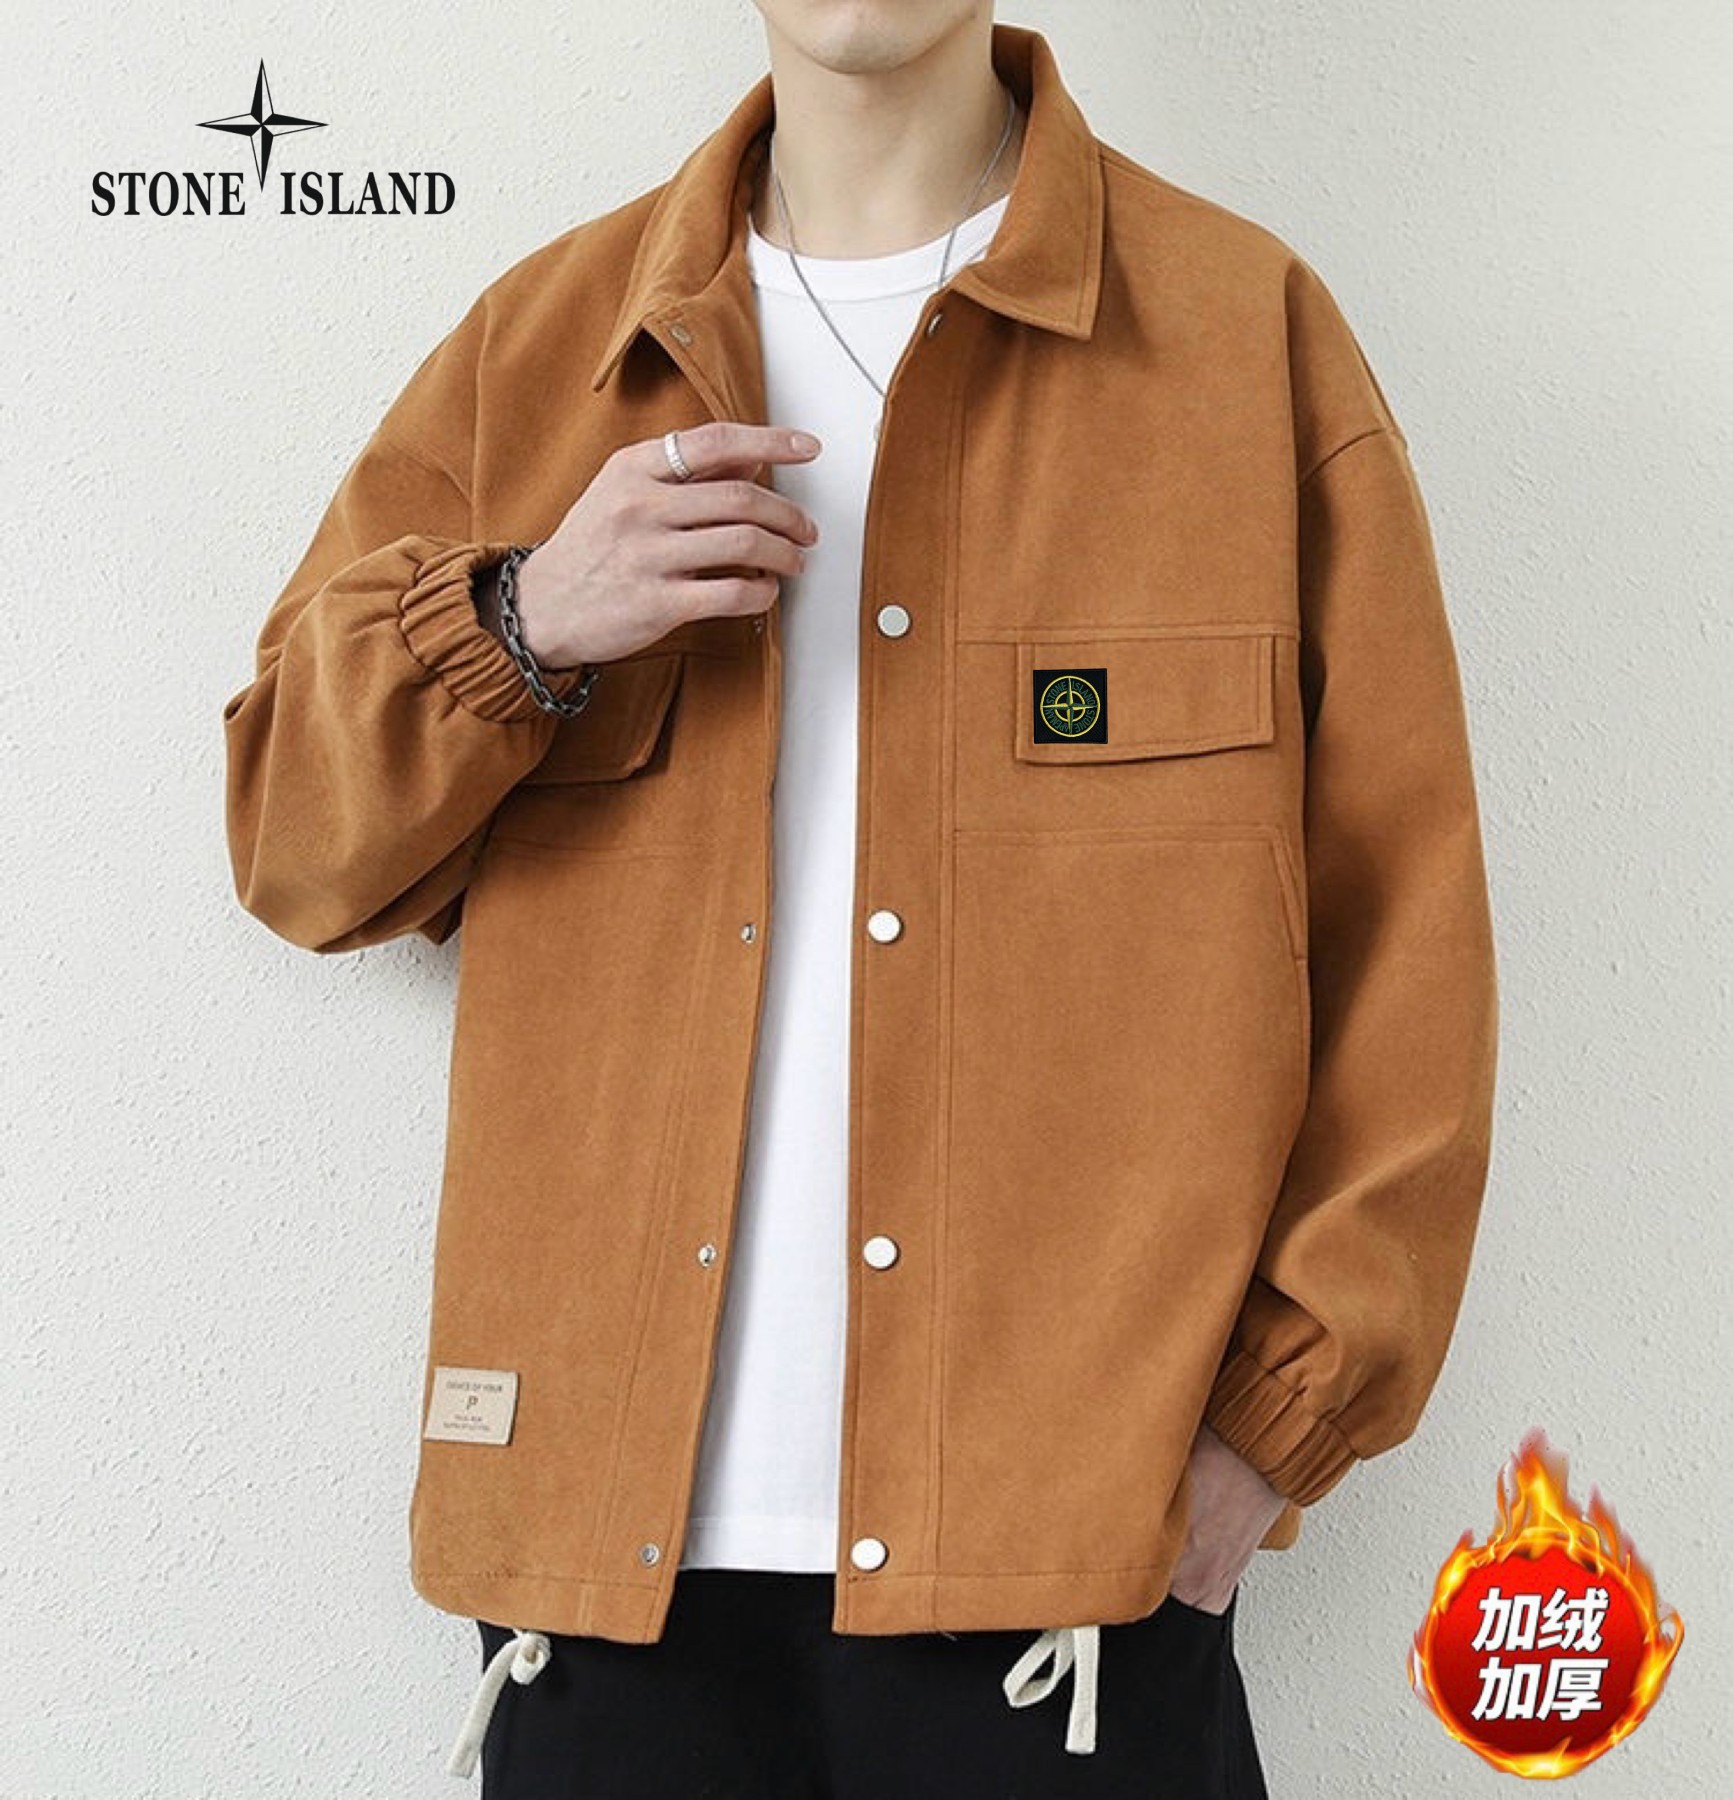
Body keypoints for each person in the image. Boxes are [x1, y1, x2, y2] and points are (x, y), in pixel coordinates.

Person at [222, 7, 1498, 1796]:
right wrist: (526, 617)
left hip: (1073, 1585)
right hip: (603, 1584)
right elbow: (292, 847)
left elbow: (1406, 941)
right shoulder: (545, 356)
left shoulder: (1241, 340)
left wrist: (1271, 1429)